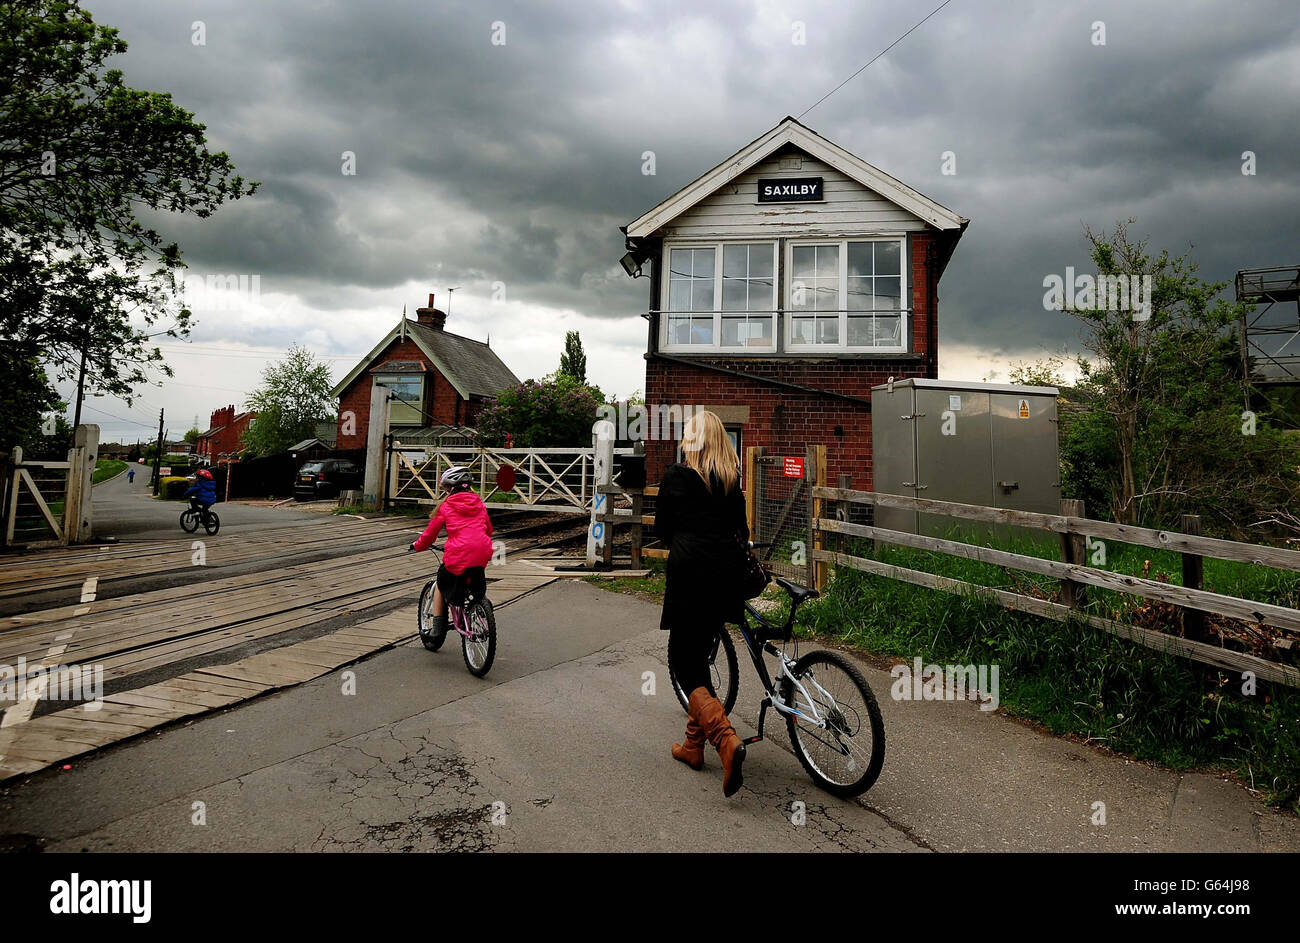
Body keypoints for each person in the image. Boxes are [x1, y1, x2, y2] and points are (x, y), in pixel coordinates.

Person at [655, 410, 749, 797]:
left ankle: (725, 740)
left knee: (682, 661)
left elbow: (661, 530)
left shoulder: (677, 477)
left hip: (690, 577)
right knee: (700, 657)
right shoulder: (731, 483)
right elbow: (742, 532)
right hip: (725, 580)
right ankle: (694, 747)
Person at [410, 466, 494, 639]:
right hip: (482, 550)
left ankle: (437, 629)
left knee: (441, 583)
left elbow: (429, 536)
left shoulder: (446, 507)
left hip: (458, 553)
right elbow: (489, 530)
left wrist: (417, 546)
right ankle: (482, 607)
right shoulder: (479, 504)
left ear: (449, 489)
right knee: (475, 579)